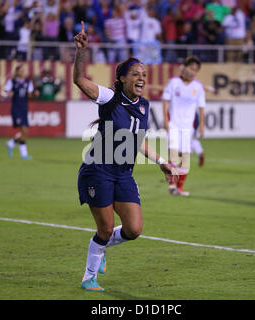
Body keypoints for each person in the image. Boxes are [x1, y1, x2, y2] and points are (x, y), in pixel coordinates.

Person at [73, 22, 177, 292]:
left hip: (123, 173)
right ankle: (89, 277)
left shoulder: (144, 104)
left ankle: (103, 247)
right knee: (105, 229)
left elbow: (136, 140)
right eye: (135, 74)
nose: (141, 78)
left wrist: (160, 161)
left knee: (134, 229)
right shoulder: (110, 97)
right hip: (98, 170)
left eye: (143, 73)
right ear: (121, 78)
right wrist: (81, 52)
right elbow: (79, 81)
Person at [162, 56, 206, 196]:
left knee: (185, 158)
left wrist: (202, 125)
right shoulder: (174, 82)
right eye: (191, 68)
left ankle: (179, 187)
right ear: (184, 67)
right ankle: (172, 185)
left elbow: (201, 107)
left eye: (195, 70)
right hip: (174, 124)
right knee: (173, 154)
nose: (192, 72)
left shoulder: (198, 87)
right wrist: (165, 120)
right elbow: (165, 100)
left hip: (188, 127)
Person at [2, 64, 36, 160]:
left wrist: (33, 94)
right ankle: (23, 154)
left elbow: (29, 96)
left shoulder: (28, 82)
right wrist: (8, 94)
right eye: (20, 70)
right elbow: (4, 92)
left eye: (23, 70)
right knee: (24, 131)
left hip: (24, 109)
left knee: (25, 132)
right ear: (16, 72)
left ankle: (11, 143)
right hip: (16, 109)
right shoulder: (11, 82)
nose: (22, 72)